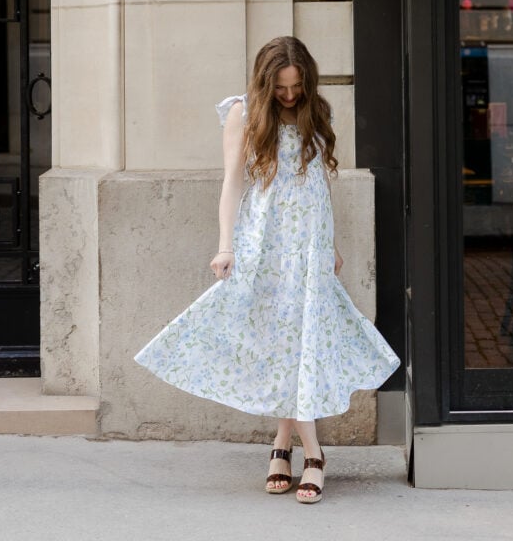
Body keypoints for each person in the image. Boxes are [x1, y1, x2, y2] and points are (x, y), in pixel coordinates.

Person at [135, 36, 399, 504]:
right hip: (267, 241)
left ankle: (282, 445)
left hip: (310, 245)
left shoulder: (317, 109)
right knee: (280, 339)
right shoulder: (242, 112)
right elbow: (233, 182)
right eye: (281, 87)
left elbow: (318, 183)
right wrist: (225, 245)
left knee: (297, 342)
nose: (290, 95)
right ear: (265, 81)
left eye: (297, 86)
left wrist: (331, 243)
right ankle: (313, 453)